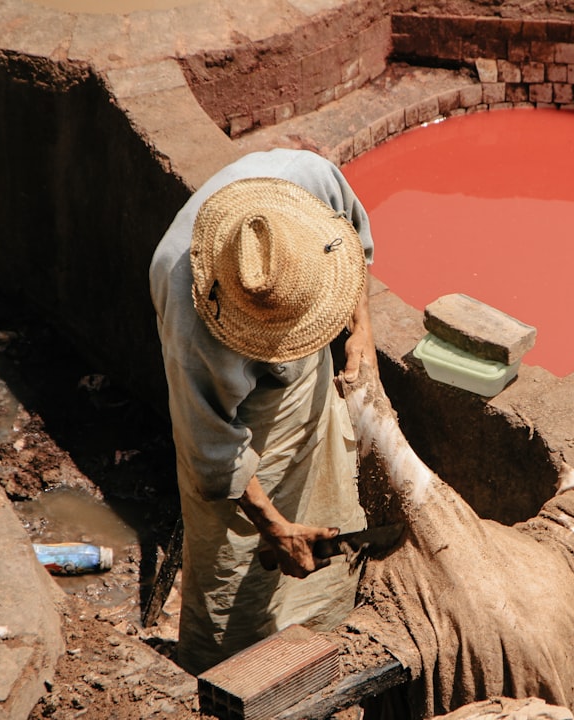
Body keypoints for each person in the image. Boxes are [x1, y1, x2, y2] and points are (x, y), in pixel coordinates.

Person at [149, 148, 377, 675]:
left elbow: (355, 243)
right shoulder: (192, 318)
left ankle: (323, 629)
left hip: (303, 384)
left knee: (328, 502)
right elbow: (212, 453)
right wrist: (275, 528)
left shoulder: (306, 181)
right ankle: (236, 674)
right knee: (236, 573)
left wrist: (360, 329)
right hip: (239, 422)